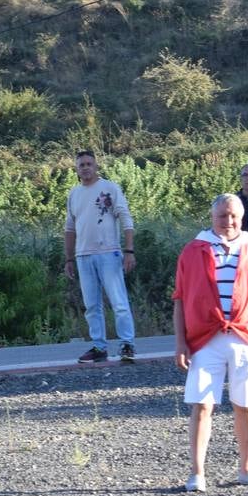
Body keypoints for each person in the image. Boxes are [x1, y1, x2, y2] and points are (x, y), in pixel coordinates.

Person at [173, 193, 248, 492]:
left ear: (241, 217)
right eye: (223, 216)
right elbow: (181, 299)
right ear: (212, 217)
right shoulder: (193, 250)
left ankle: (246, 468)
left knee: (244, 404)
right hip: (206, 339)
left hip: (247, 336)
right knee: (202, 405)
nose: (229, 221)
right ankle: (197, 473)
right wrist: (180, 342)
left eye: (233, 215)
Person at [64, 150, 137, 364]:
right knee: (92, 305)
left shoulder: (109, 188)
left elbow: (125, 218)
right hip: (83, 255)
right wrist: (68, 258)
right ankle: (99, 345)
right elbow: (69, 227)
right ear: (76, 169)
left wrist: (129, 250)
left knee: (118, 301)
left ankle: (127, 343)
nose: (85, 167)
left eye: (89, 163)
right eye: (81, 165)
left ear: (96, 166)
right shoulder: (74, 194)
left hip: (108, 252)